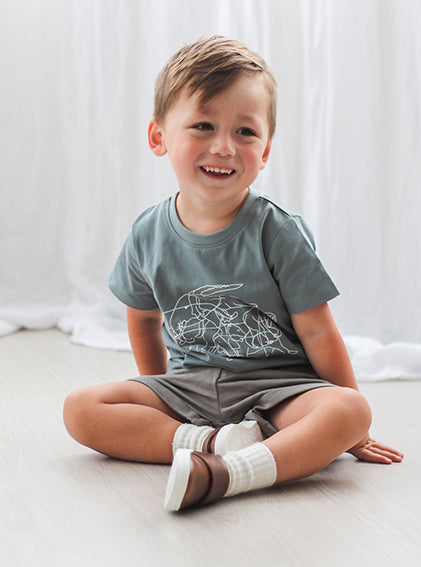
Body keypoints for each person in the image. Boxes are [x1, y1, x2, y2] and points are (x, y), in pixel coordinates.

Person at [63, 35, 403, 512]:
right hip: (189, 388)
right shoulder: (146, 233)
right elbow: (142, 320)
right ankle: (208, 445)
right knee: (81, 409)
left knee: (348, 409)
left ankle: (230, 473)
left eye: (245, 132)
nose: (224, 146)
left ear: (264, 151)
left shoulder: (277, 230)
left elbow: (319, 332)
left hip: (280, 390)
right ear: (159, 137)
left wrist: (354, 430)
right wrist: (158, 393)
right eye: (203, 125)